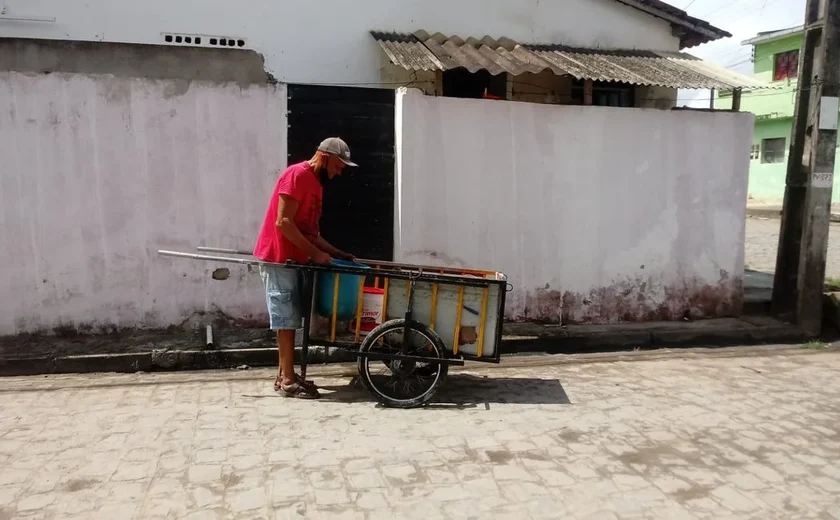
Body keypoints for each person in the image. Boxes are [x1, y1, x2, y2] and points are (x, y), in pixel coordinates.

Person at [253, 137, 357, 399]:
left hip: (294, 260)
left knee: (291, 319)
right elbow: (283, 222)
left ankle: (284, 375)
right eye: (338, 165)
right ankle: (288, 380)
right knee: (286, 320)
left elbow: (310, 232)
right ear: (324, 157)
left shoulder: (316, 186)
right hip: (279, 258)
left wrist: (335, 252)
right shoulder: (296, 175)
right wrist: (315, 254)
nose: (339, 171)